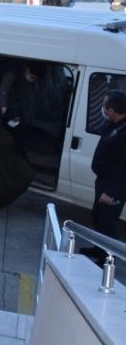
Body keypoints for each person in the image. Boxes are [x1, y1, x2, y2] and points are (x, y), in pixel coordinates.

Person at [79, 90, 126, 267]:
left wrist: (111, 193)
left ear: (111, 110)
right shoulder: (113, 125)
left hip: (114, 187)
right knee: (98, 217)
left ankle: (108, 260)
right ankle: (98, 249)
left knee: (108, 223)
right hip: (103, 181)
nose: (103, 109)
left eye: (105, 106)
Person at [0, 108, 34, 221]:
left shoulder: (19, 129)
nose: (15, 122)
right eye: (14, 120)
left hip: (14, 158)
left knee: (27, 175)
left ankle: (4, 200)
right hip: (0, 159)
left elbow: (21, 146)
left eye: (17, 120)